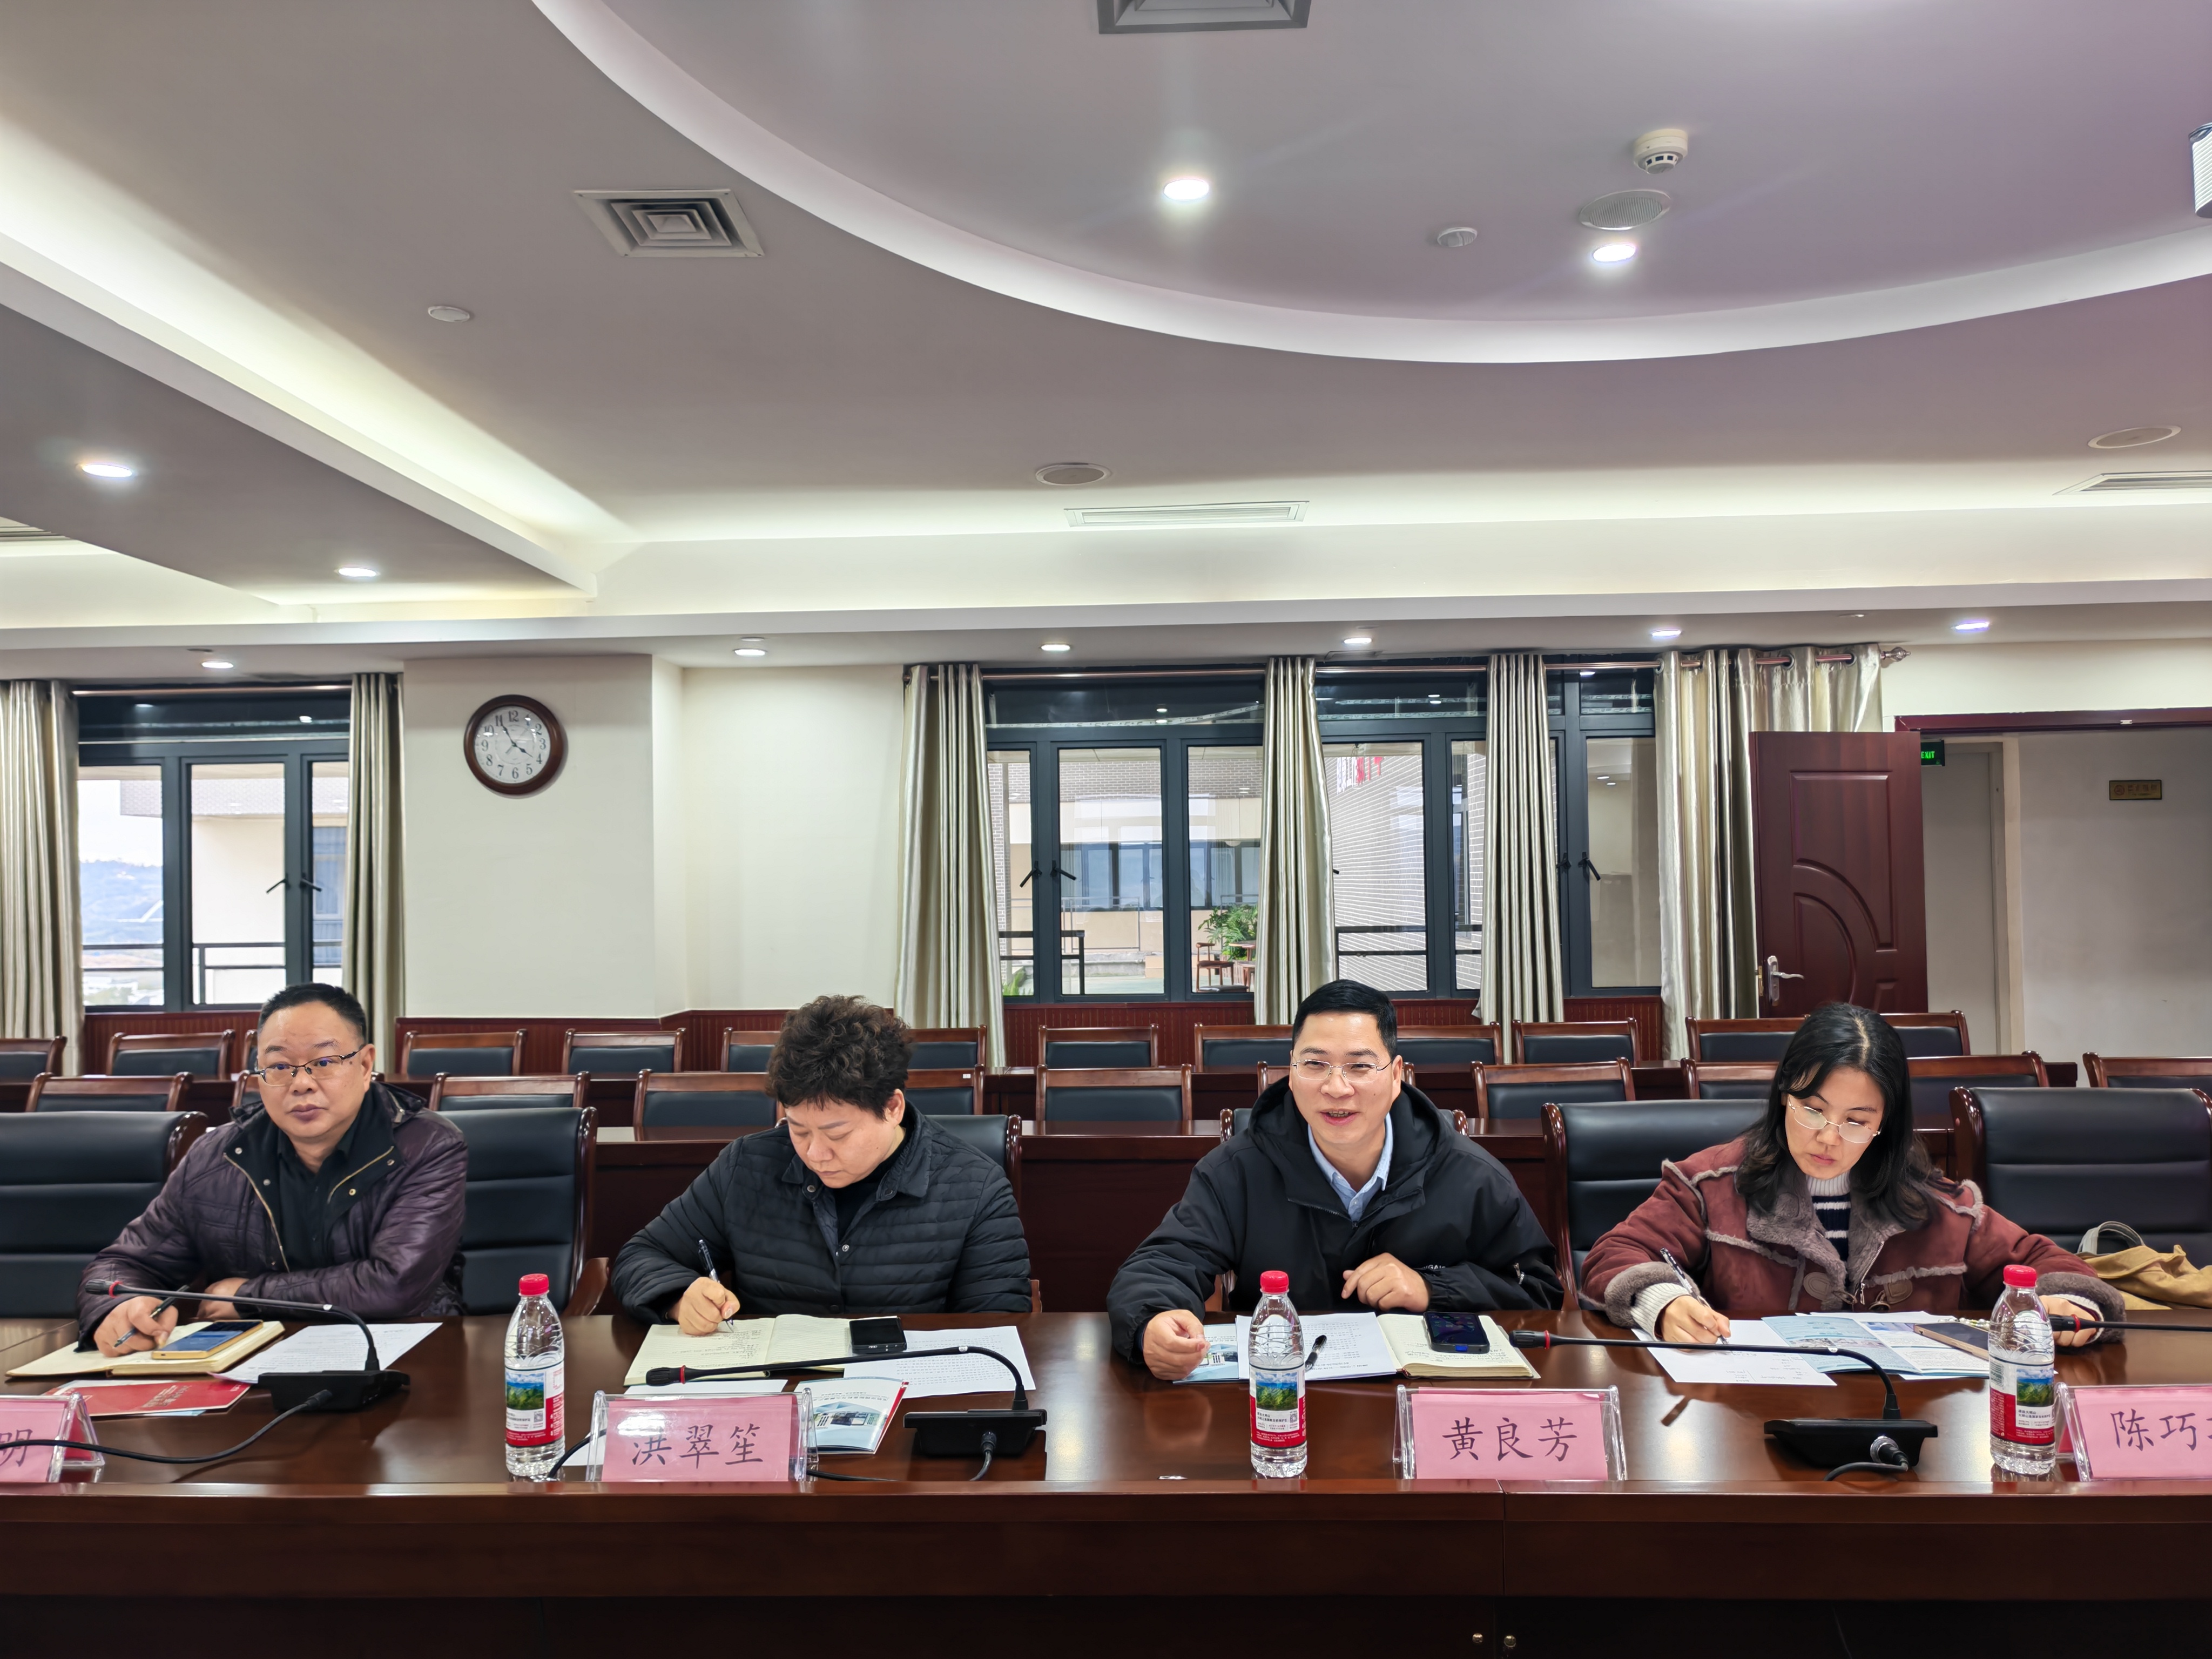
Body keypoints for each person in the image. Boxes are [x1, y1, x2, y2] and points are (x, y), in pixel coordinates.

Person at [1579, 1001, 2121, 1345]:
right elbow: (1614, 1255)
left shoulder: (1939, 1206)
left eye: (1856, 1122)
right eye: (1812, 1110)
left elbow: (2049, 1265)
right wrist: (1662, 1303)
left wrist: (2066, 1303)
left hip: (1906, 1424)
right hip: (1751, 1417)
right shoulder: (1711, 1184)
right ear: (1784, 1095)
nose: (1828, 1138)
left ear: (1885, 1124)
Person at [1109, 979, 1561, 1380]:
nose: (1337, 1088)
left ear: (1396, 1076)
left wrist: (1432, 1289)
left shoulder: (1469, 1174)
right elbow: (1162, 1262)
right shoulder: (1238, 1169)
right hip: (1278, 1400)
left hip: (1421, 1402)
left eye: (1360, 1067)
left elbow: (1538, 1292)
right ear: (1292, 1072)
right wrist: (1153, 1322)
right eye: (1316, 1064)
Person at [79, 983, 467, 1351]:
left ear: (365, 1065)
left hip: (404, 1356)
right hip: (249, 1364)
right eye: (280, 1066)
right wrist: (118, 1307)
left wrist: (248, 1297)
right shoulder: (216, 1156)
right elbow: (125, 1263)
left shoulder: (425, 1146)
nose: (301, 1084)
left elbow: (395, 1285)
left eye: (324, 1062)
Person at [611, 995, 1031, 1325]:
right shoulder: (745, 1167)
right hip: (776, 1395)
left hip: (912, 1395)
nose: (815, 1154)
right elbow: (641, 1255)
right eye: (798, 1129)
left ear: (892, 1108)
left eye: (837, 1134)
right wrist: (679, 1297)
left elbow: (995, 1326)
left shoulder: (975, 1187)